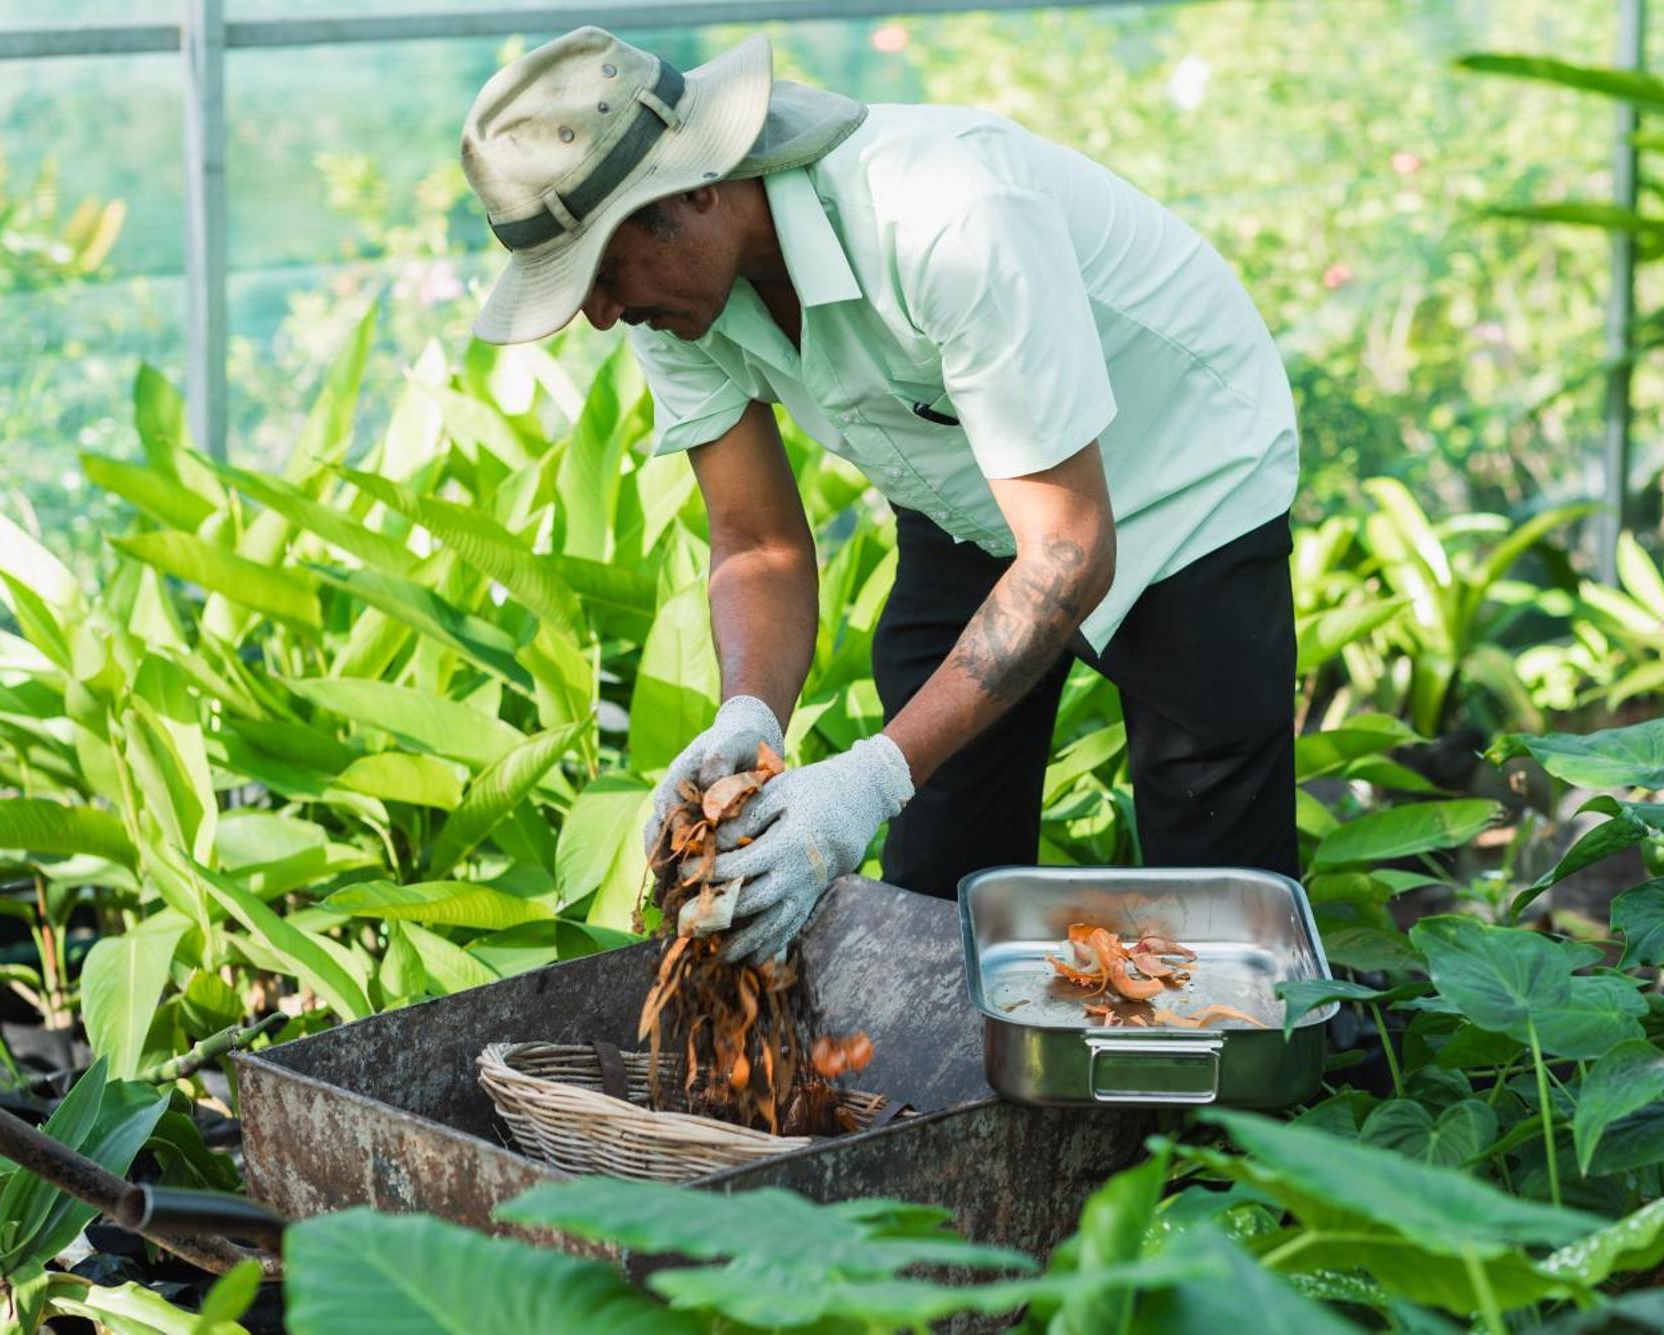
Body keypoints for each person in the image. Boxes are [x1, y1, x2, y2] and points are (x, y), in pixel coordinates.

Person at [459, 27, 1299, 964]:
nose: (602, 312)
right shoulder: (674, 300)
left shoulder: (943, 216)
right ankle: (976, 1095)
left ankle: (1245, 1096)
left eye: (602, 272)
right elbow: (758, 541)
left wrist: (867, 778)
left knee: (1214, 885)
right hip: (971, 484)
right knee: (939, 857)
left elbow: (1067, 547)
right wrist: (748, 718)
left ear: (692, 191)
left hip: (1180, 481)